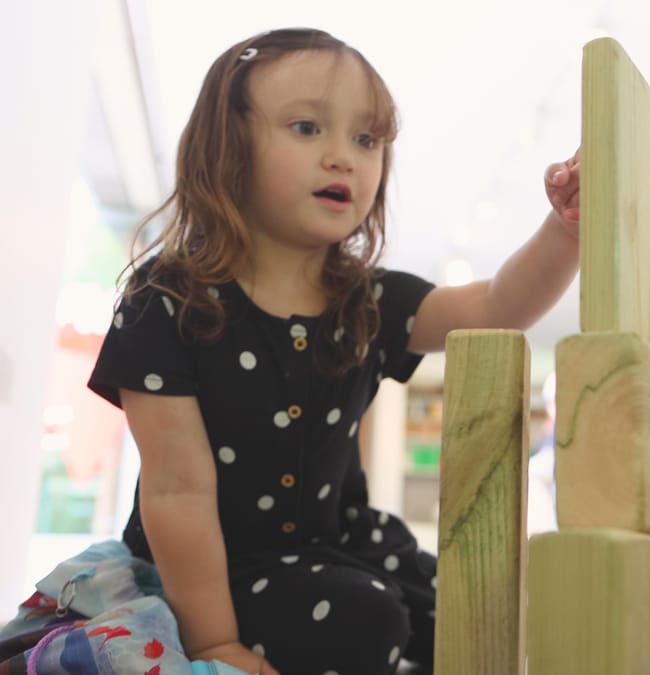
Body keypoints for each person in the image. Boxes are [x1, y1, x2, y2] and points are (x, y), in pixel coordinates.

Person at [85, 27, 580, 675]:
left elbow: (495, 310)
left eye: (366, 139)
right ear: (228, 146)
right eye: (307, 127)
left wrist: (563, 229)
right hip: (202, 571)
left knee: (473, 606)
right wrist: (213, 645)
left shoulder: (365, 301)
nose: (344, 156)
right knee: (364, 617)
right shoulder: (168, 300)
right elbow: (176, 491)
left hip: (339, 547)